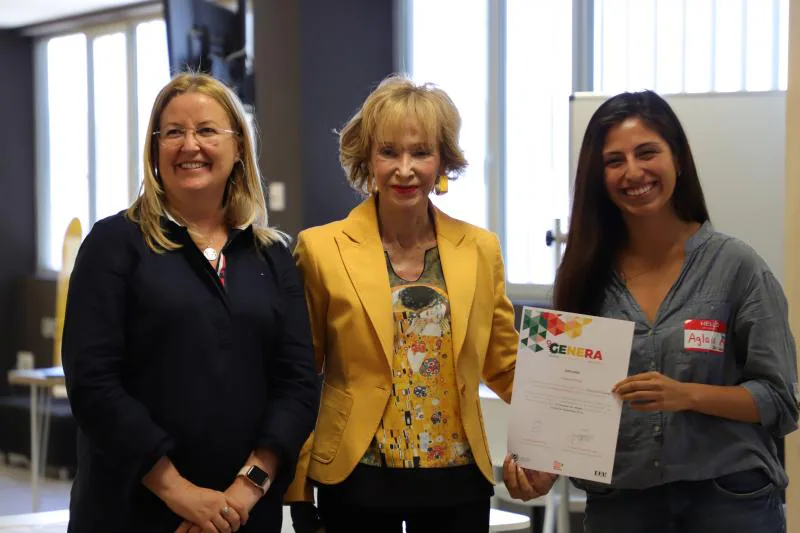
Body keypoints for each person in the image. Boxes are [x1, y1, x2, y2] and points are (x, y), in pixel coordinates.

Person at [284, 75, 556, 533]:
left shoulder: (480, 248)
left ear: (443, 160)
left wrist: (554, 445)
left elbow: (507, 365)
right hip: (356, 474)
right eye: (389, 151)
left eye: (421, 152)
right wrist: (296, 486)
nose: (404, 169)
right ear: (368, 159)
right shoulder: (320, 249)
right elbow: (299, 375)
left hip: (457, 474)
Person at [62, 72, 319, 533]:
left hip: (242, 516)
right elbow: (93, 384)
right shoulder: (114, 244)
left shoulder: (272, 254)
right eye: (174, 132)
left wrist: (243, 492)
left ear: (238, 145)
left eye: (206, 130)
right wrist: (181, 495)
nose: (189, 145)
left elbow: (297, 385)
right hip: (131, 512)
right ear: (155, 149)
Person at [553, 89, 799, 533]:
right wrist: (538, 461)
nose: (633, 172)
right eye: (614, 161)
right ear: (597, 176)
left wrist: (687, 395)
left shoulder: (736, 268)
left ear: (678, 159)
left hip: (729, 503)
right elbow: (568, 408)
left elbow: (782, 401)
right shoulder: (582, 279)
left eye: (647, 152)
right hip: (622, 506)